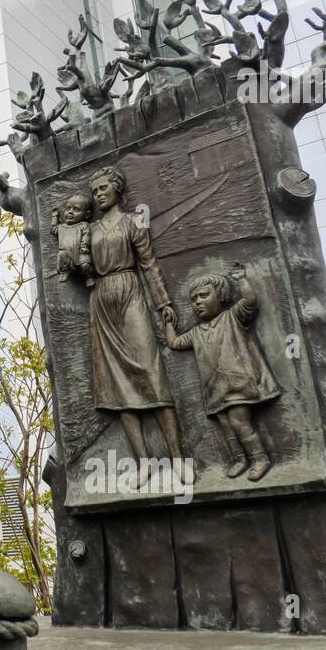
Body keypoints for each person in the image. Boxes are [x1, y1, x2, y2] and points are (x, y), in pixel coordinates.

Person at [87, 165, 188, 486]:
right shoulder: (89, 230)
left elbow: (149, 264)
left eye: (103, 188)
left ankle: (177, 458)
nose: (99, 194)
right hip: (102, 300)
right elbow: (76, 261)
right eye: (95, 191)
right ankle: (144, 462)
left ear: (117, 189)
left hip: (130, 293)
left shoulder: (132, 223)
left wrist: (163, 302)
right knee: (118, 386)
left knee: (151, 372)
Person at [163, 263, 280, 481]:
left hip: (239, 384)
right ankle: (239, 459)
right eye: (194, 299)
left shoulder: (232, 316)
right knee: (227, 426)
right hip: (215, 390)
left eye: (204, 295)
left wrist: (241, 279)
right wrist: (169, 323)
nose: (198, 302)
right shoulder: (196, 332)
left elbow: (250, 302)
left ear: (222, 297)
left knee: (239, 423)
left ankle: (260, 458)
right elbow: (174, 343)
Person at [50, 193, 93, 286]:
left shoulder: (83, 225)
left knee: (85, 264)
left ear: (87, 214)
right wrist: (55, 216)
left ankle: (88, 276)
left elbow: (86, 236)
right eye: (68, 208)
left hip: (80, 252)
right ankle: (64, 272)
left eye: (76, 209)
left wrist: (84, 246)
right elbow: (53, 229)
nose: (70, 212)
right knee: (61, 255)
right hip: (66, 254)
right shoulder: (61, 227)